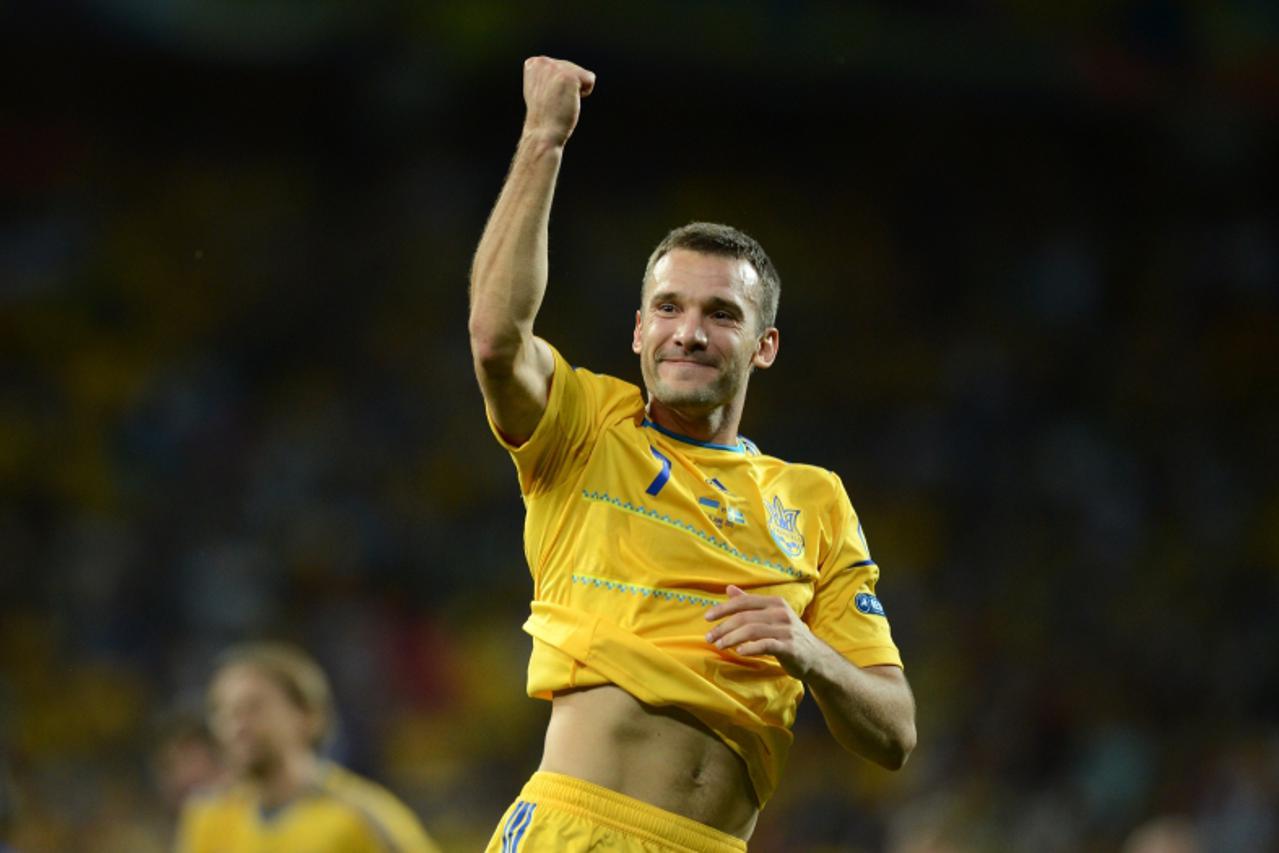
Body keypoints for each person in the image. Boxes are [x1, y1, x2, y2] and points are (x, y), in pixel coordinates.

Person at [469, 56, 917, 851]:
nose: (689, 332)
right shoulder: (586, 425)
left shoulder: (811, 499)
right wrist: (543, 137)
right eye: (668, 308)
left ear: (764, 344)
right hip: (577, 831)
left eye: (721, 313)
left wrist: (807, 649)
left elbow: (893, 732)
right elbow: (497, 341)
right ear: (639, 329)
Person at [174, 642, 441, 853]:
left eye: (254, 708)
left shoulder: (362, 818)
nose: (236, 725)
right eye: (225, 712)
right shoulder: (207, 818)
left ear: (308, 716)